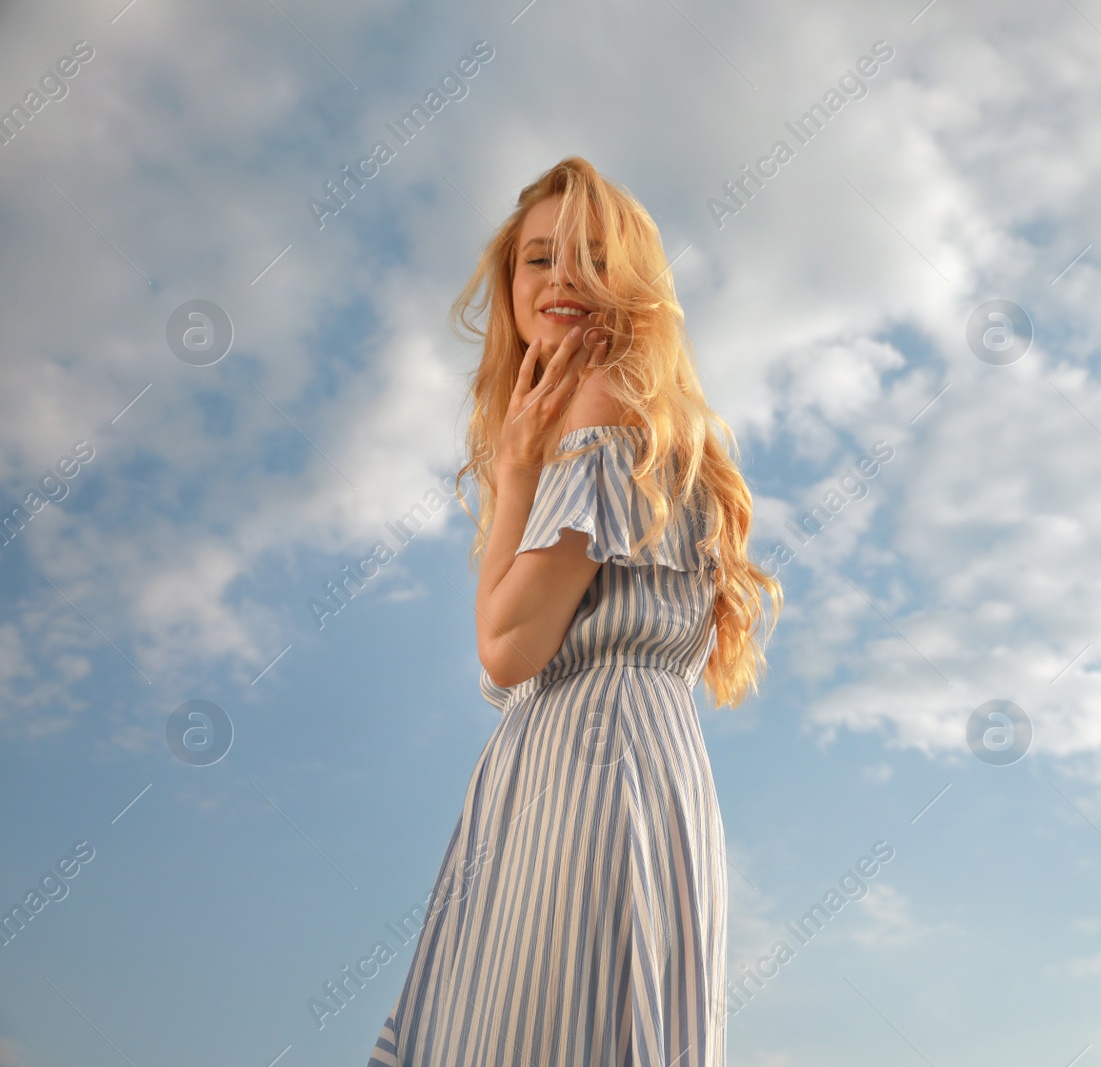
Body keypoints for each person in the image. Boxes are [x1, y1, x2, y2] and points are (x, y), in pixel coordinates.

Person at [368, 156, 782, 1067]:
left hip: (595, 768)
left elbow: (506, 648)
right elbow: (513, 650)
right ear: (509, 282)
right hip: (627, 758)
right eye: (538, 260)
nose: (559, 280)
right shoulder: (645, 415)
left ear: (627, 286)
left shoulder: (603, 403)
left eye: (590, 259)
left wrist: (515, 476)